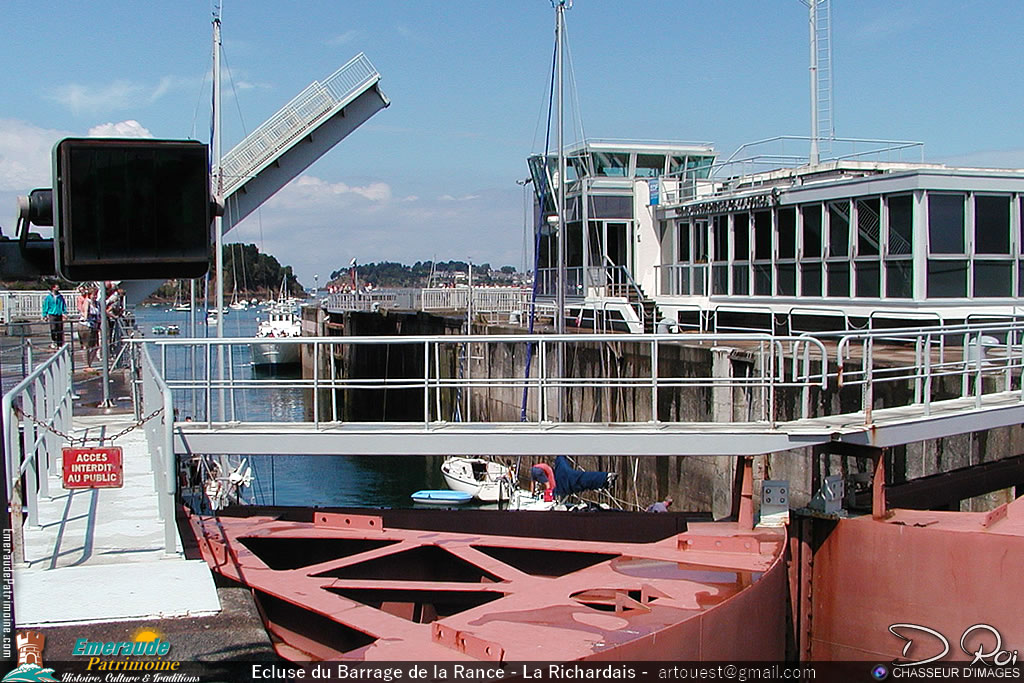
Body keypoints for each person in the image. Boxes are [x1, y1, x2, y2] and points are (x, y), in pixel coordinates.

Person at [76, 285, 100, 370]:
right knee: (86, 345)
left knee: (96, 346)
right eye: (94, 294)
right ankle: (87, 365)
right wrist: (86, 316)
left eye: (96, 294)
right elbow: (85, 311)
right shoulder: (87, 301)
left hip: (94, 326)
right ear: (90, 295)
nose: (95, 296)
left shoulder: (97, 303)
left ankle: (89, 363)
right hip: (85, 326)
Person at [42, 284, 67, 348]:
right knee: (53, 328)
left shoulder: (60, 297)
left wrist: (64, 313)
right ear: (53, 288)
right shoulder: (48, 297)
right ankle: (54, 341)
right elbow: (45, 306)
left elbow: (63, 305)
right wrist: (44, 315)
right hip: (52, 314)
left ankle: (59, 344)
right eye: (57, 287)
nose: (58, 288)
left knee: (59, 329)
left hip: (59, 314)